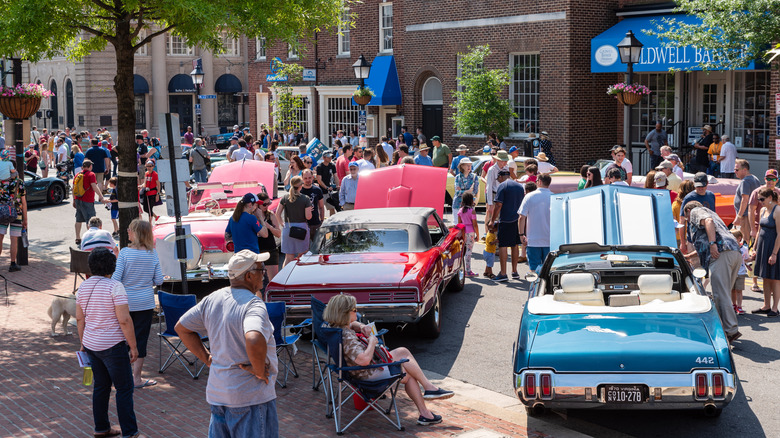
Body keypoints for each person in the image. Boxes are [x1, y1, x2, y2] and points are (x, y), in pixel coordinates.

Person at [175, 250, 279, 438]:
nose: (263, 273)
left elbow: (182, 328)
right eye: (260, 269)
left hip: (219, 395)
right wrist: (258, 369)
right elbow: (253, 338)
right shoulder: (253, 304)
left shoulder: (213, 298)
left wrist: (207, 358)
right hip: (250, 399)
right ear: (248, 275)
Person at [322, 294, 453, 426]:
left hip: (357, 371)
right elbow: (364, 360)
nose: (358, 312)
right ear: (344, 313)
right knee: (405, 360)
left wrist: (361, 326)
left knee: (404, 358)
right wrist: (372, 342)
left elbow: (351, 325)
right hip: (367, 374)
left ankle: (426, 409)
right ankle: (428, 395)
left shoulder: (334, 327)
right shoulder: (347, 338)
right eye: (354, 310)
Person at [76, 248, 147, 438]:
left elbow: (80, 319)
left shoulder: (83, 287)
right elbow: (124, 320)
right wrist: (133, 346)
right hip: (113, 345)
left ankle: (101, 427)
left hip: (91, 344)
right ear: (112, 267)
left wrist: (83, 342)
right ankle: (130, 432)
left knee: (101, 387)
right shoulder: (114, 287)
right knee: (124, 388)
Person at [111, 219, 164, 389]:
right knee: (140, 340)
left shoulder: (125, 253)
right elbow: (159, 280)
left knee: (122, 338)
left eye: (129, 229)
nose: (127, 231)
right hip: (145, 302)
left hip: (125, 302)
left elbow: (115, 279)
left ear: (136, 233)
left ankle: (121, 376)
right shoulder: (152, 253)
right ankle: (137, 378)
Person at [682, 201, 742, 343]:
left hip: (721, 253)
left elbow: (708, 222)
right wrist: (689, 256)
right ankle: (725, 328)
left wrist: (712, 244)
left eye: (687, 217)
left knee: (720, 294)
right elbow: (707, 235)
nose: (688, 221)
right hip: (733, 252)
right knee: (724, 293)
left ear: (688, 210)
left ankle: (730, 330)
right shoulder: (713, 213)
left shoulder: (696, 211)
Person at [488, 168, 524, 282]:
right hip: (517, 219)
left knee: (503, 245)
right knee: (514, 245)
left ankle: (503, 273)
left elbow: (498, 205)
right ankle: (515, 272)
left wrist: (492, 220)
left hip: (506, 220)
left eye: (498, 179)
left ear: (500, 177)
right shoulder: (519, 186)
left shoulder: (502, 186)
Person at [750, 188, 780, 317]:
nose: (760, 202)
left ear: (769, 198)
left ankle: (774, 308)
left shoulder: (777, 210)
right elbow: (759, 231)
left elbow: (779, 234)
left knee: (775, 279)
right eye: (759, 199)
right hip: (763, 246)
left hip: (774, 247)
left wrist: (774, 254)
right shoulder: (762, 210)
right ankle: (766, 306)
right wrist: (755, 248)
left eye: (762, 199)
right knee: (765, 277)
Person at [518, 174, 552, 273]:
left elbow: (521, 217)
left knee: (534, 270)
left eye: (536, 180)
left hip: (533, 239)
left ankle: (535, 287)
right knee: (548, 270)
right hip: (549, 239)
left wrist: (521, 235)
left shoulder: (529, 196)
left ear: (540, 182)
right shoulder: (554, 197)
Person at [277, 176, 313, 266]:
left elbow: (277, 214)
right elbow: (308, 217)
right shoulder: (305, 198)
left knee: (288, 257)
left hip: (288, 229)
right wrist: (310, 211)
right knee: (302, 256)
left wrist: (282, 224)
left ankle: (285, 277)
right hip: (301, 229)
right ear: (301, 186)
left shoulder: (285, 198)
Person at [74, 160, 106, 246]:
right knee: (90, 220)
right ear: (90, 166)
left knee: (78, 219)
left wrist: (74, 200)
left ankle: (77, 238)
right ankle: (90, 238)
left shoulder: (78, 175)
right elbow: (94, 186)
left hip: (78, 199)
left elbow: (74, 188)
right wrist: (100, 196)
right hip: (87, 200)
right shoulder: (91, 174)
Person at [0, 173, 27, 272]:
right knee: (14, 239)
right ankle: (12, 263)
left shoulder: (1, 181)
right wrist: (25, 219)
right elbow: (23, 202)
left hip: (2, 212)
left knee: (0, 237)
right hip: (17, 213)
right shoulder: (19, 183)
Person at [254, 192, 282, 281]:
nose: (267, 206)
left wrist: (269, 226)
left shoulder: (270, 215)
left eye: (268, 203)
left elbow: (278, 234)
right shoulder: (252, 217)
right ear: (257, 205)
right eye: (264, 204)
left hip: (270, 250)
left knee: (272, 281)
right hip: (257, 251)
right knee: (258, 283)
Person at [733, 159, 761, 232]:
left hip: (745, 216)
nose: (734, 172)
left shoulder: (745, 181)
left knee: (746, 239)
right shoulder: (755, 178)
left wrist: (739, 217)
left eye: (737, 170)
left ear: (744, 170)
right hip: (751, 215)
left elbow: (745, 200)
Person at [457, 192, 479, 277]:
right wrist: (477, 235)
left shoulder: (460, 211)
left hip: (463, 232)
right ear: (471, 201)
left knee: (463, 251)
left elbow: (459, 224)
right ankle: (468, 271)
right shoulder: (472, 211)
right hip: (470, 232)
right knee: (469, 252)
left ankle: (462, 270)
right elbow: (475, 224)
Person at [730, 229, 751, 316]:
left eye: (733, 238)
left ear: (739, 238)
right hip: (731, 272)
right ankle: (733, 304)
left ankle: (739, 306)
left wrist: (749, 263)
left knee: (739, 290)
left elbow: (746, 259)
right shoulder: (729, 248)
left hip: (741, 272)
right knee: (732, 290)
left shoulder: (744, 249)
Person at [452, 159, 478, 224]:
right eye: (467, 165)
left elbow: (475, 191)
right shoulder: (458, 177)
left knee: (469, 225)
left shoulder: (474, 177)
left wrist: (462, 191)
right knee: (457, 225)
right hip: (458, 204)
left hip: (469, 205)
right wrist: (468, 191)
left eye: (470, 165)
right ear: (462, 166)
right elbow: (457, 192)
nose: (469, 167)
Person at [300, 169, 325, 238]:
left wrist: (322, 220)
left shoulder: (317, 190)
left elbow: (321, 207)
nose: (308, 180)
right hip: (303, 224)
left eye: (309, 178)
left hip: (315, 223)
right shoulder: (299, 191)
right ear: (302, 178)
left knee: (317, 247)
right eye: (305, 178)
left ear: (313, 178)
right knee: (304, 248)